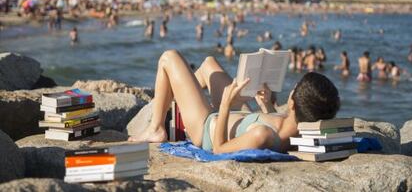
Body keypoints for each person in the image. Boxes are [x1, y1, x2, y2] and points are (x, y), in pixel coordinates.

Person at [128, 50, 340, 153]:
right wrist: (265, 104)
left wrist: (225, 105)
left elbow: (219, 150)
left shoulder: (262, 134)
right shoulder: (296, 128)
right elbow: (274, 123)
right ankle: (175, 103)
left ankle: (156, 127)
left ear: (292, 104)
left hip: (206, 127)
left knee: (169, 58)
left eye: (293, 91)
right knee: (209, 64)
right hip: (237, 118)